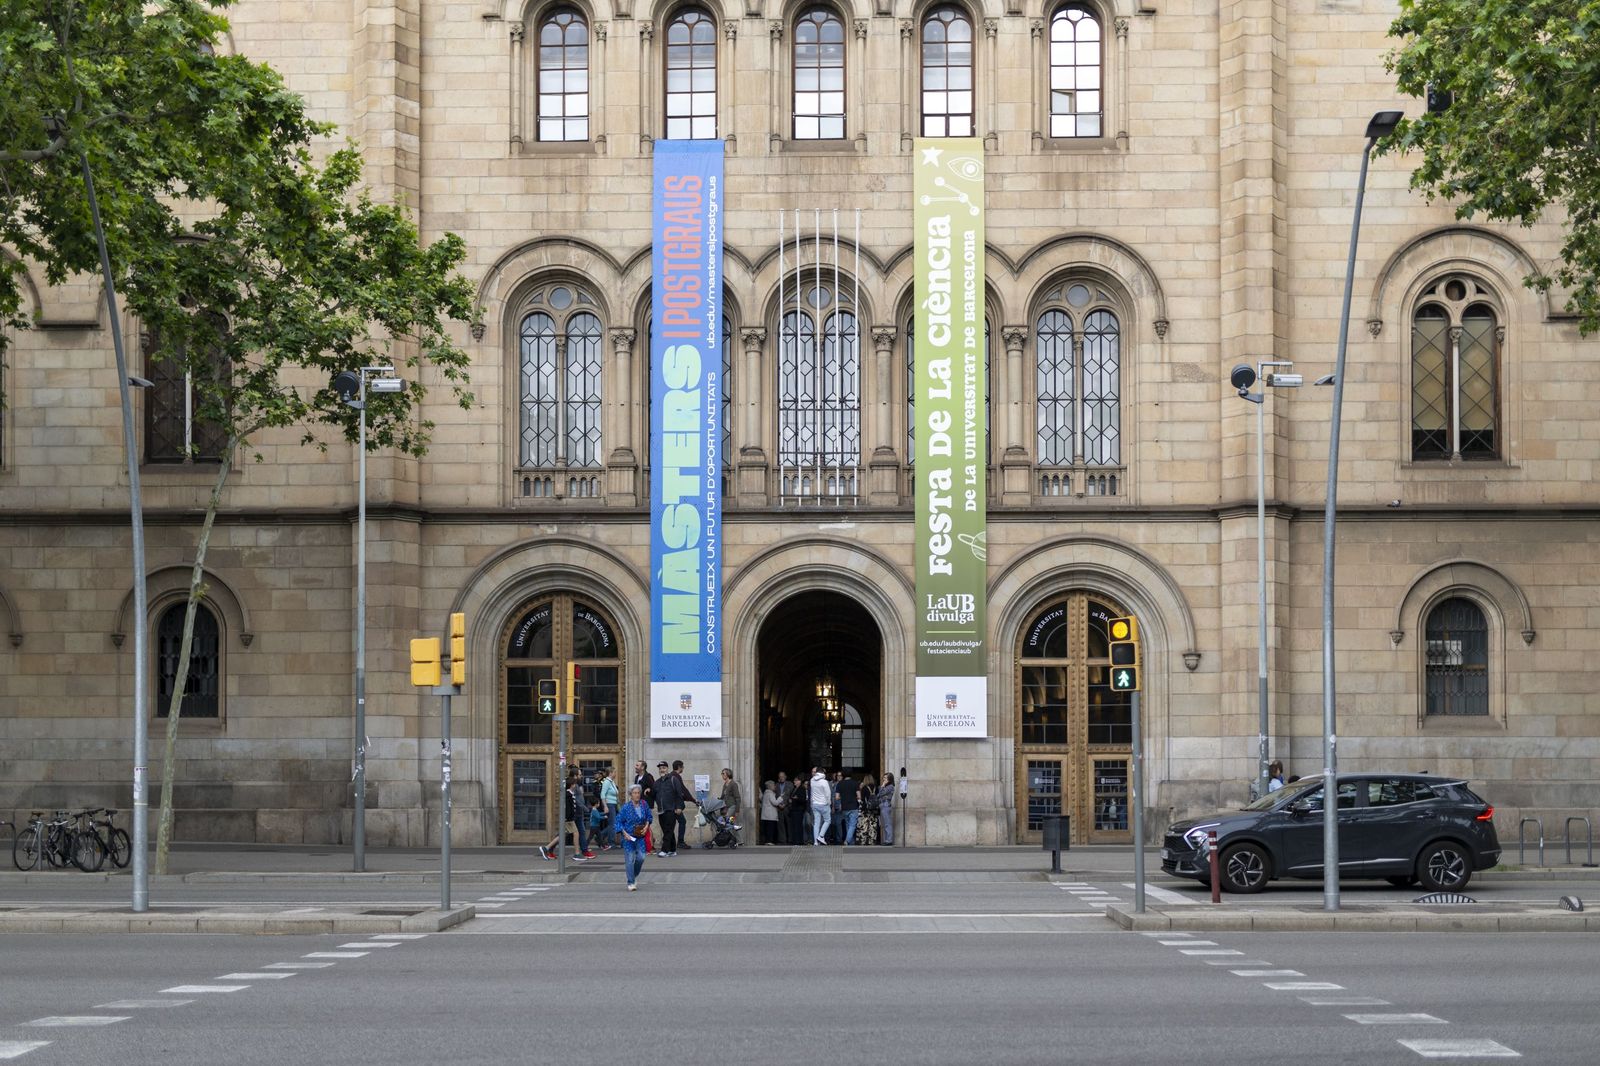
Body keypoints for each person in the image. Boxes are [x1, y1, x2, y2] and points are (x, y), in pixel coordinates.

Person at [539, 769, 592, 861]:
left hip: (571, 818)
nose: (581, 776)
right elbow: (568, 807)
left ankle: (546, 848)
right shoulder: (568, 794)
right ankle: (577, 854)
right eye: (579, 774)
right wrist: (570, 817)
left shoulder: (571, 792)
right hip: (569, 819)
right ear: (572, 784)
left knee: (563, 834)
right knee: (576, 833)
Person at [655, 759, 698, 856]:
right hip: (661, 810)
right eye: (660, 768)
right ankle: (672, 849)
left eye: (664, 768)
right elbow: (654, 794)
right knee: (667, 829)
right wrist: (648, 791)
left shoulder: (673, 779)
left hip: (671, 809)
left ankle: (665, 850)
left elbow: (680, 794)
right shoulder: (657, 782)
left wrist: (679, 807)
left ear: (667, 769)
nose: (662, 770)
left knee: (668, 829)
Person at [616, 784, 653, 890]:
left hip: (640, 836)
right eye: (634, 793)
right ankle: (631, 882)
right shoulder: (626, 807)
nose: (637, 795)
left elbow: (649, 817)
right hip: (628, 838)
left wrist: (646, 826)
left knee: (641, 857)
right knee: (630, 859)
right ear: (630, 795)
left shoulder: (644, 804)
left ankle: (633, 875)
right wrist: (624, 833)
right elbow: (619, 822)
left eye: (638, 793)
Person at [597, 767, 619, 849]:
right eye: (614, 772)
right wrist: (605, 806)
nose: (615, 774)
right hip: (609, 804)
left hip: (613, 804)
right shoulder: (606, 782)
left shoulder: (611, 782)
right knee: (612, 824)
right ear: (610, 773)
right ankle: (611, 842)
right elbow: (602, 794)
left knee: (612, 823)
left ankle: (600, 837)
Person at [808, 766, 832, 845]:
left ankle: (815, 842)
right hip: (823, 804)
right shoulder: (824, 782)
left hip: (815, 804)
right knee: (827, 820)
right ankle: (821, 836)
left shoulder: (812, 780)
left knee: (816, 823)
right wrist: (829, 802)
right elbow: (828, 794)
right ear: (823, 773)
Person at [854, 775, 879, 845]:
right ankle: (872, 841)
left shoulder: (864, 788)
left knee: (864, 825)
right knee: (873, 826)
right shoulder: (876, 788)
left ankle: (863, 841)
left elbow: (862, 799)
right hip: (874, 810)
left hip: (865, 809)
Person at [838, 769, 859, 846]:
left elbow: (837, 797)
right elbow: (859, 796)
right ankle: (847, 840)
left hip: (844, 806)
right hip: (853, 806)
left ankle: (851, 842)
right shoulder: (855, 783)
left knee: (847, 824)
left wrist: (843, 796)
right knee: (852, 825)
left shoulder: (840, 784)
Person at [876, 772, 896, 845]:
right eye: (883, 777)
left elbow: (880, 794)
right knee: (884, 824)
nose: (883, 779)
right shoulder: (883, 787)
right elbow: (878, 795)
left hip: (886, 805)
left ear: (889, 779)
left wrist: (882, 786)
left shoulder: (890, 786)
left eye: (885, 778)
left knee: (887, 823)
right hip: (882, 805)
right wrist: (882, 787)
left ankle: (889, 840)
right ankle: (886, 840)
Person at [760, 780, 781, 845]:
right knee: (771, 829)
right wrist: (781, 798)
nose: (775, 786)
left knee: (767, 828)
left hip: (766, 815)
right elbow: (775, 803)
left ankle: (767, 841)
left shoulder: (765, 793)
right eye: (774, 785)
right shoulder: (770, 793)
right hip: (770, 815)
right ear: (770, 786)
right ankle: (770, 841)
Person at [774, 771, 792, 845]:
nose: (781, 778)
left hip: (787, 807)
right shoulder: (776, 785)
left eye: (782, 776)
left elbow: (791, 795)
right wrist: (778, 804)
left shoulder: (790, 784)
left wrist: (786, 803)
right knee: (780, 824)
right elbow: (774, 795)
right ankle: (782, 840)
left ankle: (790, 839)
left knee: (789, 824)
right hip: (779, 807)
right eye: (780, 777)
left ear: (785, 776)